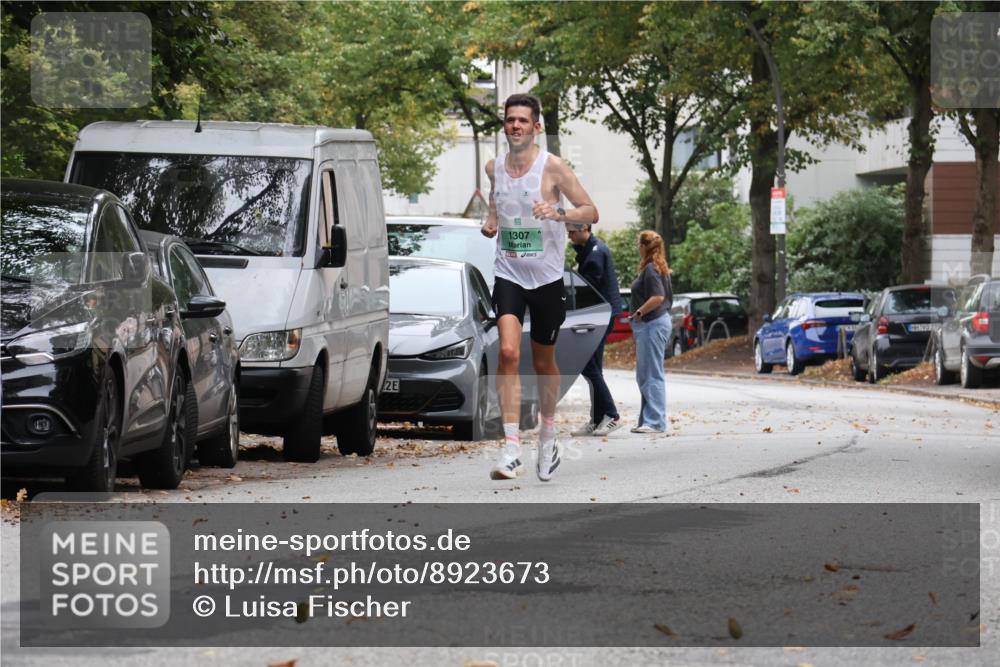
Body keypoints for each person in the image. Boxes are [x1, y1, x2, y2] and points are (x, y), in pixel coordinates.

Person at [481, 93, 600, 482]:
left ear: (536, 127)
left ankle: (548, 434)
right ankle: (512, 445)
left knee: (545, 362)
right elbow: (499, 204)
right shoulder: (493, 168)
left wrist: (559, 212)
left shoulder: (554, 169)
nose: (515, 125)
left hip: (547, 279)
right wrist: (492, 220)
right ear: (505, 124)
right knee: (509, 353)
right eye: (510, 119)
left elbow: (591, 211)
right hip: (509, 273)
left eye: (522, 120)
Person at [567, 224, 624, 437]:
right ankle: (599, 418)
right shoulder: (591, 249)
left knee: (588, 365)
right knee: (594, 368)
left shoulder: (595, 252)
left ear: (584, 228)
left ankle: (611, 414)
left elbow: (587, 287)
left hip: (600, 315)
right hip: (601, 314)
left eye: (572, 231)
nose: (569, 235)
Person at [629, 230, 673, 434]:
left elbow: (658, 297)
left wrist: (638, 312)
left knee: (651, 374)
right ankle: (647, 420)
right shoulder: (658, 267)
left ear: (644, 247)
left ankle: (655, 421)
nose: (638, 249)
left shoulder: (651, 269)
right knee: (645, 374)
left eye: (639, 245)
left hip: (652, 323)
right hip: (654, 324)